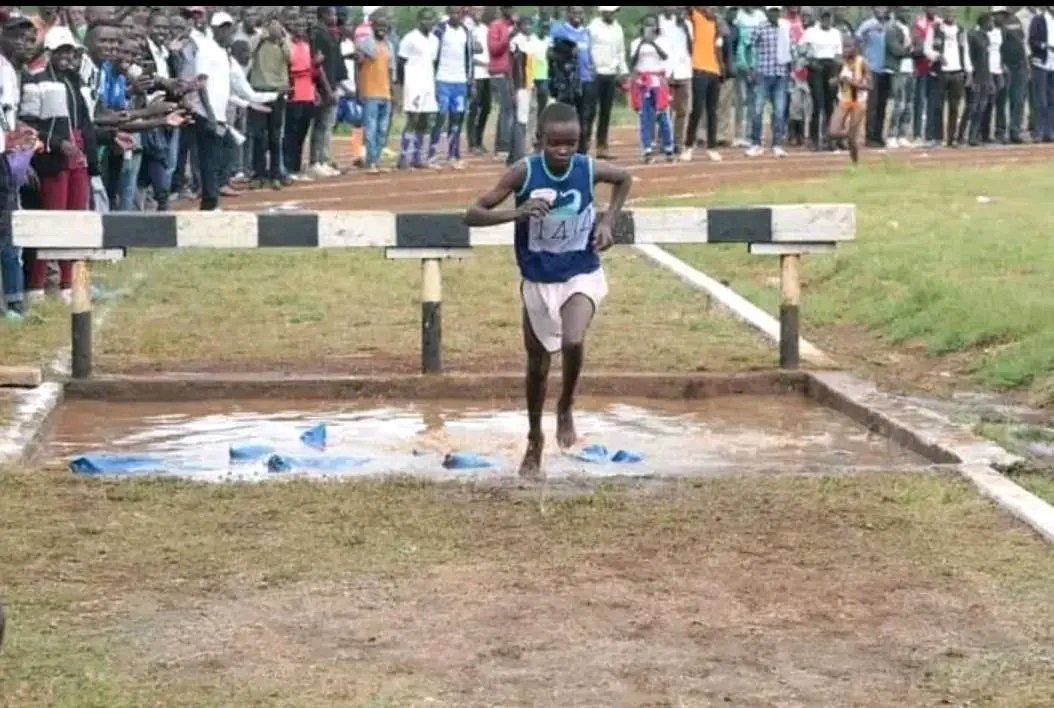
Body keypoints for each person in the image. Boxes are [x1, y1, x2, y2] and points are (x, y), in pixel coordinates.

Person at [463, 102, 631, 480]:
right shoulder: (523, 172)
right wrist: (516, 213)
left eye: (571, 143)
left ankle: (567, 406)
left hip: (580, 272)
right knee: (537, 366)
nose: (563, 151)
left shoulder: (587, 168)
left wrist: (609, 222)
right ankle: (535, 437)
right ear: (540, 142)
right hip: (538, 279)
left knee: (573, 339)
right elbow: (472, 214)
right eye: (555, 144)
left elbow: (624, 178)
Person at [397, 7, 440, 170]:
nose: (429, 22)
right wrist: (403, 85)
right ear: (419, 20)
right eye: (426, 19)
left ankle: (416, 157)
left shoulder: (435, 40)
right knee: (412, 119)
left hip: (428, 84)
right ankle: (403, 157)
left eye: (432, 19)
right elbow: (401, 62)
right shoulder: (410, 38)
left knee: (425, 121)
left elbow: (433, 63)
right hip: (413, 84)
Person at [429, 6, 472, 169]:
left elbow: (469, 57)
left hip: (460, 81)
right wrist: (431, 79)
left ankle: (453, 155)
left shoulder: (466, 31)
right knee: (440, 118)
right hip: (442, 80)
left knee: (457, 119)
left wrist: (470, 79)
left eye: (458, 13)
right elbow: (432, 55)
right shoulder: (440, 30)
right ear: (448, 14)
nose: (455, 16)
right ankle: (432, 155)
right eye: (452, 13)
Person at [630, 14, 674, 162]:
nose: (650, 27)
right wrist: (642, 43)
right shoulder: (636, 42)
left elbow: (665, 56)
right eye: (647, 25)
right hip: (643, 81)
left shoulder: (663, 41)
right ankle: (647, 149)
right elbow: (633, 62)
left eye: (653, 24)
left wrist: (653, 43)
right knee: (645, 116)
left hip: (658, 81)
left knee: (662, 116)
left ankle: (668, 147)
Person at [355, 10, 393, 174]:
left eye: (384, 25)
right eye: (378, 25)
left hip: (385, 92)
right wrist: (359, 88)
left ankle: (376, 160)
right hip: (370, 92)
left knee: (382, 130)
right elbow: (358, 66)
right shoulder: (364, 43)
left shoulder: (389, 45)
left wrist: (393, 90)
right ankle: (371, 161)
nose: (381, 28)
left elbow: (391, 70)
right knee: (370, 128)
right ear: (372, 25)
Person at [588, 6, 627, 159]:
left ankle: (602, 147)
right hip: (594, 74)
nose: (612, 14)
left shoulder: (618, 28)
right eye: (609, 11)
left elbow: (621, 51)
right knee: (589, 112)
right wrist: (590, 67)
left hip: (610, 74)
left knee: (606, 112)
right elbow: (588, 49)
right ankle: (584, 146)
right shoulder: (593, 27)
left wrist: (623, 71)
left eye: (614, 11)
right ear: (603, 12)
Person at [829, 36, 871, 164]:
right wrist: (837, 81)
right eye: (844, 47)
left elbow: (870, 85)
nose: (845, 50)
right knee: (833, 132)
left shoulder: (862, 63)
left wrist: (854, 83)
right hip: (844, 100)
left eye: (848, 47)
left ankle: (855, 163)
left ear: (856, 48)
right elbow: (832, 82)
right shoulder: (840, 63)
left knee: (852, 139)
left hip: (859, 102)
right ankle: (851, 134)